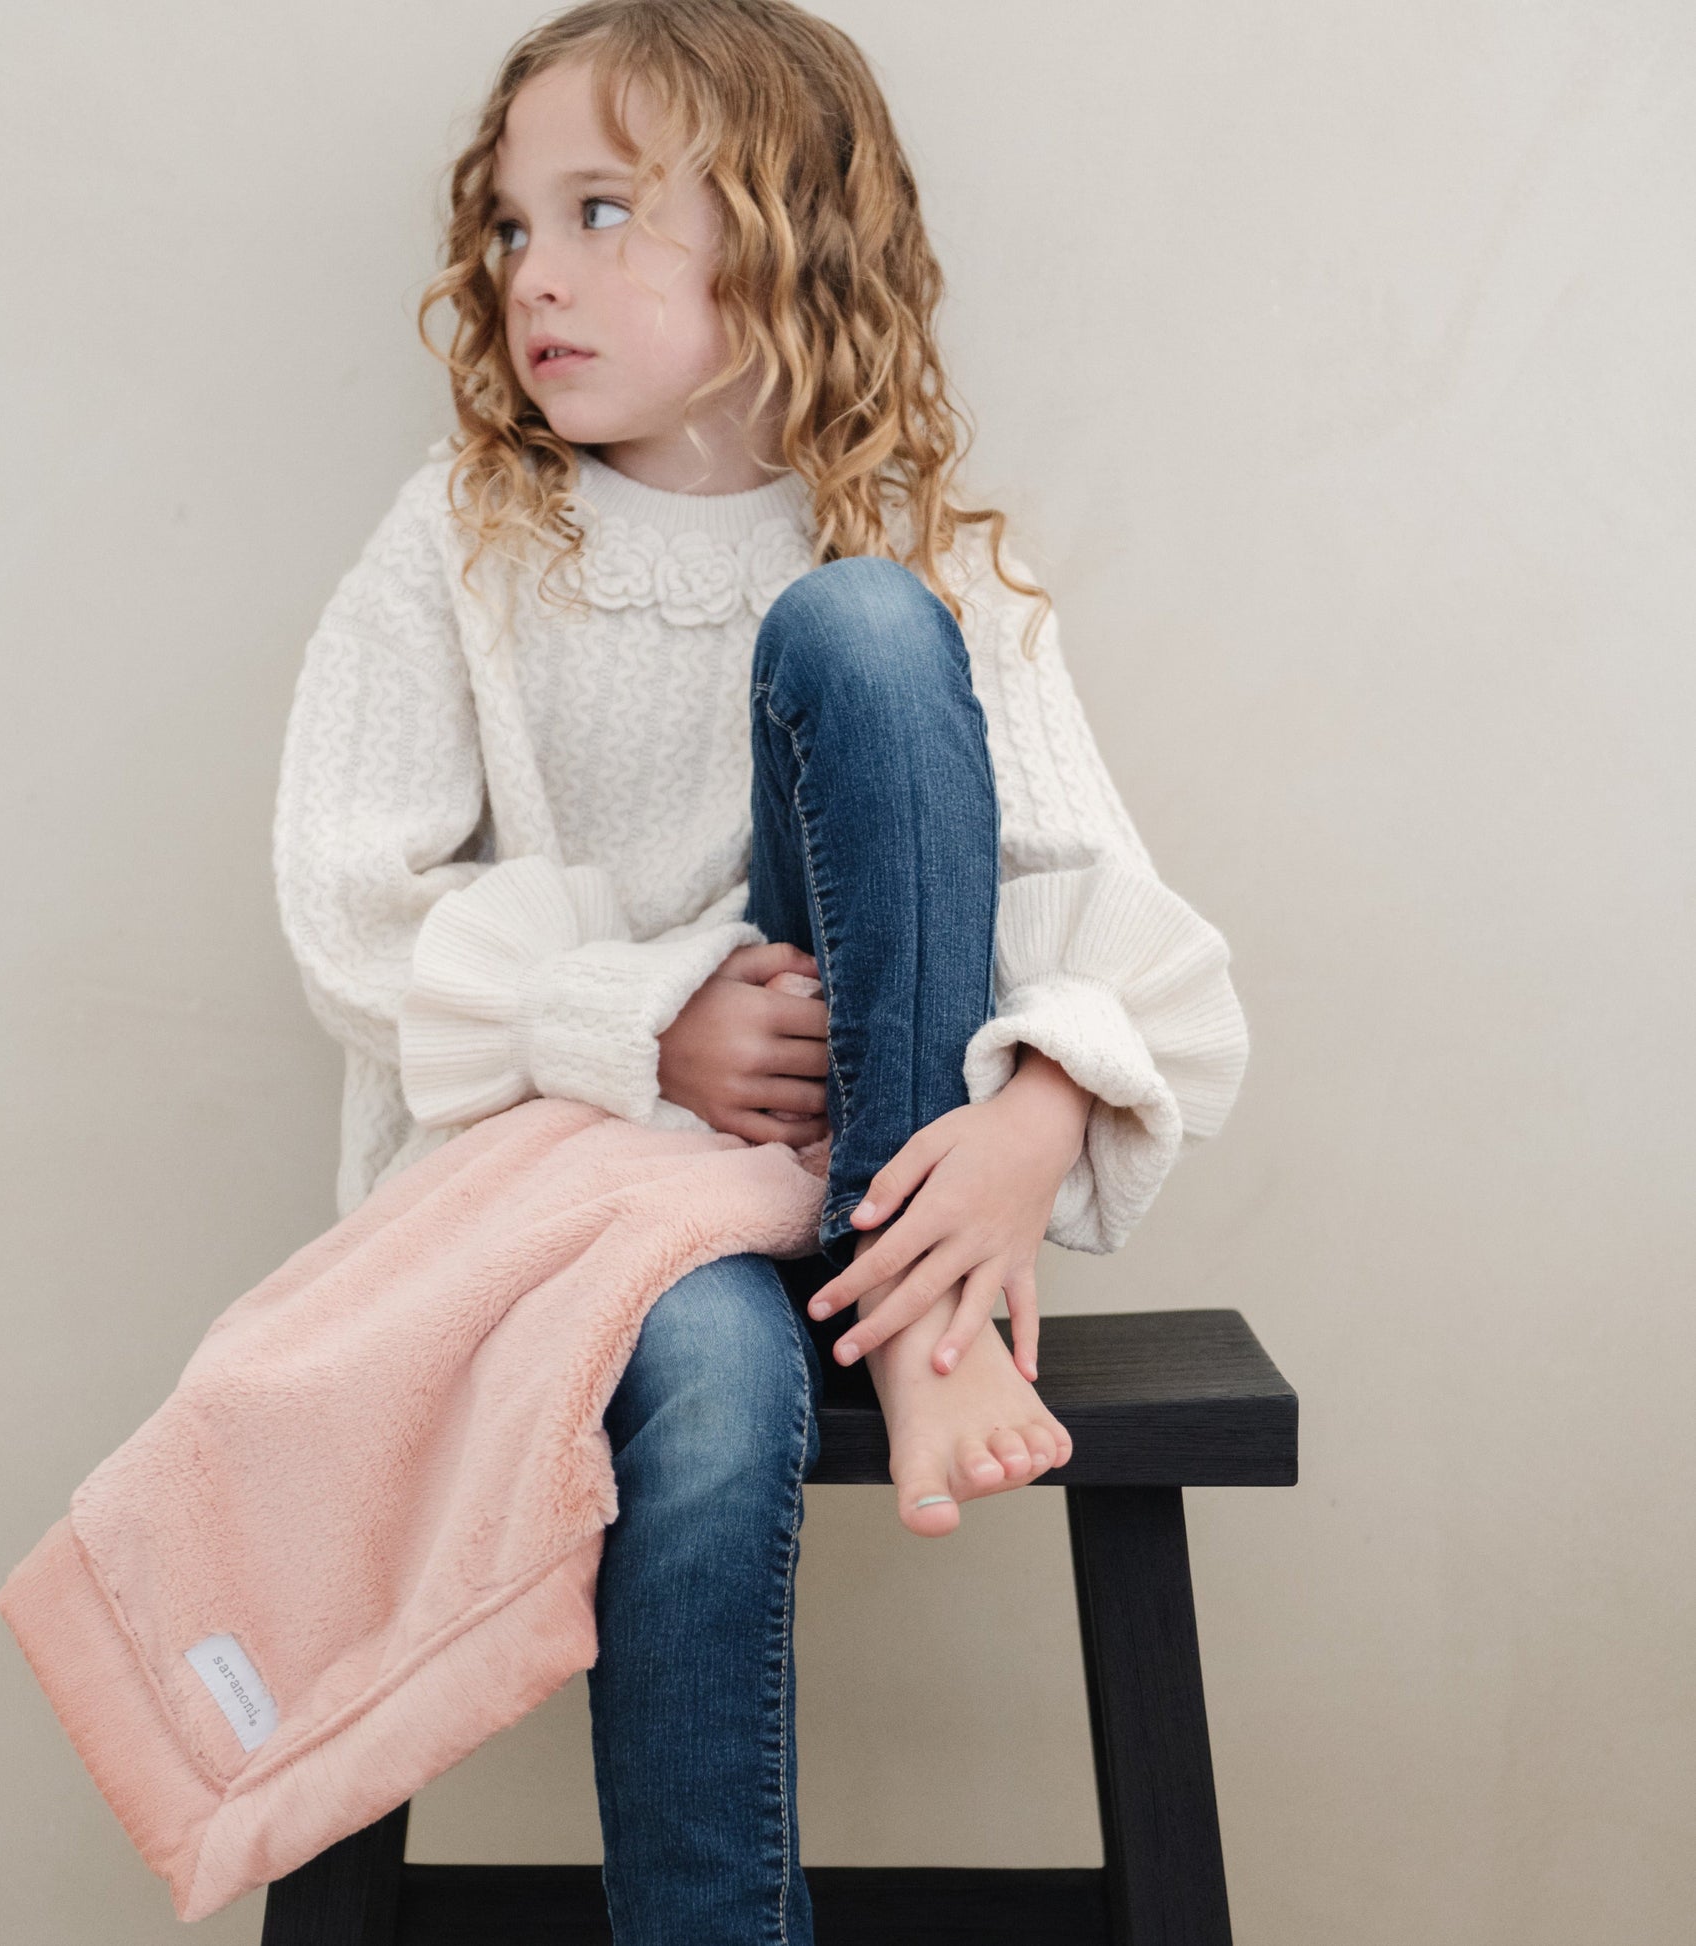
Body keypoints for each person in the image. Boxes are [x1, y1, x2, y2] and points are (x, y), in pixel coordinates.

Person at [270, 4, 1250, 1939]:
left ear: (787, 230)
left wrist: (1028, 1128)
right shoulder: (469, 538)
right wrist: (639, 1027)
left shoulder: (921, 546)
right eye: (509, 227)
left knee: (865, 629)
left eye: (601, 210)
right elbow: (349, 907)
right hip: (605, 1212)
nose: (533, 273)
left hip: (876, 1185)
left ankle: (923, 1311)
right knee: (711, 1406)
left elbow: (1101, 911)